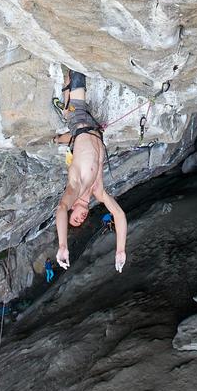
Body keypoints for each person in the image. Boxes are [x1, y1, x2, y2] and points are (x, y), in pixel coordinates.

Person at [53, 69, 127, 273]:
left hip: (79, 124)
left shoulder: (75, 187)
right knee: (74, 94)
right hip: (94, 129)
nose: (80, 218)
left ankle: (68, 75)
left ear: (72, 208)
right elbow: (119, 214)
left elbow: (60, 209)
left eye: (74, 218)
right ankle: (67, 86)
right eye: (81, 221)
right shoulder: (98, 190)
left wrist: (62, 246)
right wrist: (120, 250)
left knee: (77, 75)